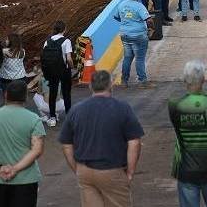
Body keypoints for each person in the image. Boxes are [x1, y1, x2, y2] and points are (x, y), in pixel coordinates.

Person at [59, 70, 144, 207]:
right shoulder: (122, 108)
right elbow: (134, 142)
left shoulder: (76, 110)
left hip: (85, 170)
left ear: (90, 86)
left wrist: (77, 169)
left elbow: (66, 145)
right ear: (111, 85)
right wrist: (130, 172)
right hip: (112, 169)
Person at [0, 80, 45, 207]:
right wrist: (15, 168)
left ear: (6, 95)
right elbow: (37, 150)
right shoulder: (33, 119)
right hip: (26, 179)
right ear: (25, 96)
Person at [168, 61, 207, 207]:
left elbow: (177, 128)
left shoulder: (174, 105)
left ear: (184, 80)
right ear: (204, 80)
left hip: (186, 171)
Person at [114, 0, 153, 87]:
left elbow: (117, 17)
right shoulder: (139, 6)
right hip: (138, 35)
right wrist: (151, 29)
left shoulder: (121, 4)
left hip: (125, 35)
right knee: (140, 58)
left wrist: (126, 22)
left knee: (127, 58)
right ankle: (142, 81)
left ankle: (124, 81)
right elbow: (149, 20)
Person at [41, 21, 74, 128]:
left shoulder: (47, 41)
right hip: (64, 70)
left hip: (51, 70)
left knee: (53, 93)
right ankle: (69, 117)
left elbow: (44, 57)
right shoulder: (66, 41)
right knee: (66, 93)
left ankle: (52, 117)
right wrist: (72, 67)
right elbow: (68, 58)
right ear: (64, 29)